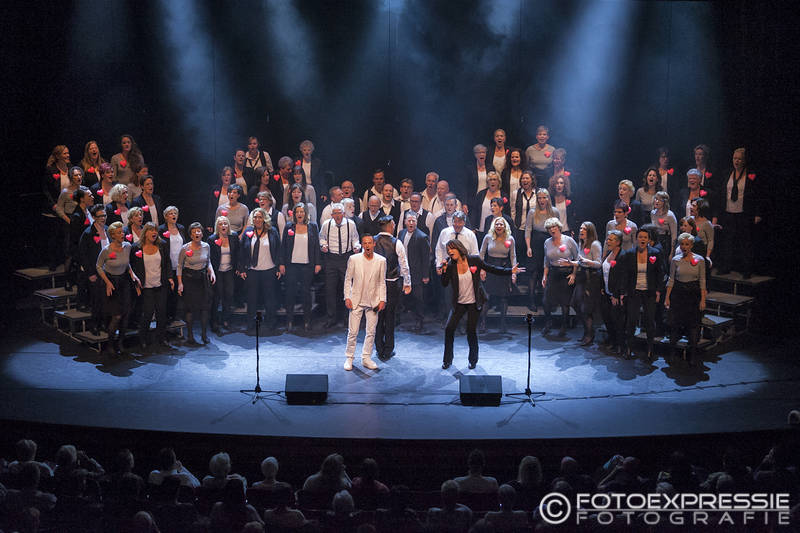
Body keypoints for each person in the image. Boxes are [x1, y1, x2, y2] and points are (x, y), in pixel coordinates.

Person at [441, 239, 522, 369]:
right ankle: (447, 360)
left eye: (452, 248)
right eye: (448, 250)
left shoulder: (474, 260)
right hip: (459, 303)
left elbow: (492, 269)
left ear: (459, 248)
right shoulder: (450, 266)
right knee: (449, 329)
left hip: (474, 302)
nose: (449, 251)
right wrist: (444, 270)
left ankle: (473, 360)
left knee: (471, 331)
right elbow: (444, 283)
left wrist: (510, 271)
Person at [343, 234, 386, 371]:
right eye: (365, 243)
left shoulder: (381, 260)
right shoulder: (354, 259)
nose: (367, 245)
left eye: (369, 243)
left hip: (373, 301)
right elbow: (348, 279)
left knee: (371, 332)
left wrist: (382, 299)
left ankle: (366, 358)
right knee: (353, 332)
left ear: (374, 244)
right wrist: (347, 297)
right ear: (362, 245)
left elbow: (381, 282)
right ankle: (349, 357)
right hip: (356, 300)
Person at [96, 221, 140, 355]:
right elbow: (98, 266)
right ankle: (110, 344)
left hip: (124, 282)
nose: (122, 234)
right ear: (113, 235)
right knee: (117, 316)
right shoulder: (106, 250)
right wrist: (107, 282)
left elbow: (126, 263)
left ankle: (120, 342)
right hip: (111, 282)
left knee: (126, 315)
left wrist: (132, 274)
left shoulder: (127, 246)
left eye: (122, 232)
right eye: (119, 232)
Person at [717, 147, 761, 278]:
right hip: (728, 212)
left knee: (745, 242)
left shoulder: (750, 175)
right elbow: (722, 193)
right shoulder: (727, 173)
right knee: (727, 241)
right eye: (735, 158)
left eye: (739, 159)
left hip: (744, 213)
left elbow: (758, 195)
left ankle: (746, 269)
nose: (736, 161)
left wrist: (758, 213)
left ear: (744, 160)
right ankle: (725, 266)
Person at [620, 227, 664, 360]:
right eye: (640, 237)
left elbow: (660, 273)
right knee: (631, 320)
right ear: (636, 239)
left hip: (649, 292)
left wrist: (658, 291)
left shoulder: (655, 253)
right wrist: (623, 292)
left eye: (645, 237)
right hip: (634, 291)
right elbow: (625, 274)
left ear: (649, 240)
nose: (642, 239)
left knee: (649, 320)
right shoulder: (630, 253)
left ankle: (650, 349)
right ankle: (629, 348)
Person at [373, 216, 412, 361]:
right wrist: (407, 283)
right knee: (390, 317)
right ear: (390, 226)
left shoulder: (372, 241)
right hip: (391, 284)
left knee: (377, 317)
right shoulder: (397, 243)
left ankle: (379, 348)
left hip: (375, 284)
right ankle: (388, 350)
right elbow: (404, 265)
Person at [665, 233, 707, 366]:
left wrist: (703, 300)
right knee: (675, 324)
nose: (684, 247)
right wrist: (667, 297)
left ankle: (693, 355)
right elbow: (671, 279)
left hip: (693, 295)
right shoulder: (675, 260)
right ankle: (672, 353)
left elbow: (702, 280)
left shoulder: (699, 260)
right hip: (678, 294)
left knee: (693, 325)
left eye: (687, 244)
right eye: (682, 244)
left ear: (691, 245)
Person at [279, 203, 321, 333]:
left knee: (306, 294)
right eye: (297, 212)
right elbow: (283, 246)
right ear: (294, 214)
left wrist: (318, 263)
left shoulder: (312, 227)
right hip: (291, 265)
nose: (299, 214)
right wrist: (282, 263)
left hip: (307, 266)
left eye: (302, 211)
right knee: (290, 293)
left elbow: (316, 246)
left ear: (306, 213)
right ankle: (289, 321)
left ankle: (307, 321)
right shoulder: (289, 227)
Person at [130, 223, 173, 351]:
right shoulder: (136, 247)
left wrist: (170, 277)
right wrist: (136, 284)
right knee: (147, 313)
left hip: (160, 284)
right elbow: (131, 267)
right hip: (146, 286)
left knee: (161, 313)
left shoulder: (162, 245)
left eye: (155, 230)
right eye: (151, 230)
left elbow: (167, 262)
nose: (154, 232)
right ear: (145, 233)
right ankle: (143, 338)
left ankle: (161, 338)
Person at [240, 208, 282, 335]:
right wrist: (242, 268)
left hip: (269, 270)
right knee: (251, 299)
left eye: (259, 217)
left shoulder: (272, 231)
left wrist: (279, 267)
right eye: (255, 217)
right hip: (252, 271)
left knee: (270, 298)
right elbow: (242, 251)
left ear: (264, 219)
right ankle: (250, 324)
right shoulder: (248, 231)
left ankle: (271, 323)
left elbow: (278, 250)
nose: (257, 219)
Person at [320, 203, 361, 328]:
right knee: (330, 289)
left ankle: (347, 318)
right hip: (331, 259)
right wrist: (323, 245)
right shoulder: (326, 224)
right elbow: (321, 238)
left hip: (345, 258)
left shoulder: (351, 224)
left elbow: (355, 239)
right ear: (332, 215)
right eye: (335, 213)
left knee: (347, 289)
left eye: (339, 213)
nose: (337, 216)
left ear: (343, 214)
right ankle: (331, 318)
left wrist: (356, 246)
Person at [177, 222, 216, 345]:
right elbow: (179, 266)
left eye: (198, 231)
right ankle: (190, 336)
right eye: (194, 232)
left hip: (202, 279)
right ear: (190, 235)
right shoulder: (185, 248)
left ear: (202, 233)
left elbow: (208, 261)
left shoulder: (206, 246)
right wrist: (180, 283)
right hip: (189, 280)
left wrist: (212, 272)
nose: (197, 234)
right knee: (190, 309)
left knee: (204, 308)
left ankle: (204, 335)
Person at [567, 222, 603, 346]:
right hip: (582, 277)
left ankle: (589, 334)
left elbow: (598, 264)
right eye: (580, 228)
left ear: (590, 231)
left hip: (591, 278)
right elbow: (580, 262)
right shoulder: (581, 244)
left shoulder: (595, 244)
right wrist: (571, 264)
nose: (581, 230)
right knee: (575, 304)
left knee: (586, 308)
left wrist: (587, 261)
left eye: (584, 229)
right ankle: (587, 331)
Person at [541, 217, 578, 336]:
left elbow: (577, 258)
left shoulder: (569, 240)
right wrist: (544, 276)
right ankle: (548, 323)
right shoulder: (547, 242)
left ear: (559, 227)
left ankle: (564, 326)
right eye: (549, 228)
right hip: (553, 272)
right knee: (546, 301)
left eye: (554, 227)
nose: (552, 230)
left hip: (566, 273)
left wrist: (574, 274)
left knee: (564, 302)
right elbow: (546, 260)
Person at [479, 217, 517, 333]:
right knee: (487, 297)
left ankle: (503, 324)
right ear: (493, 226)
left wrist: (514, 273)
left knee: (504, 297)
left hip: (504, 268)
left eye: (501, 224)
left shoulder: (510, 239)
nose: (499, 226)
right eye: (497, 224)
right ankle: (483, 323)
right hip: (490, 267)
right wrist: (482, 269)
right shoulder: (488, 237)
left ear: (505, 227)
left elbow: (513, 256)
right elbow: (481, 254)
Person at [525, 188, 560, 309]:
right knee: (534, 273)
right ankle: (531, 301)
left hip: (550, 243)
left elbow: (558, 229)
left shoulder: (554, 211)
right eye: (539, 198)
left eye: (544, 197)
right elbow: (528, 230)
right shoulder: (532, 212)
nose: (541, 200)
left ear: (548, 198)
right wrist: (528, 247)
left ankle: (548, 302)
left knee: (548, 272)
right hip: (535, 244)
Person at [397, 212, 430, 332]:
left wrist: (425, 275)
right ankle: (399, 319)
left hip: (416, 273)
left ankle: (419, 321)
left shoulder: (422, 237)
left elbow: (426, 258)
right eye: (409, 221)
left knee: (418, 298)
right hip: (403, 271)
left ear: (416, 222)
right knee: (401, 296)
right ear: (405, 222)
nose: (411, 223)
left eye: (413, 221)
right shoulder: (401, 233)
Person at [79, 204, 109, 334]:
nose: (103, 218)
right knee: (96, 300)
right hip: (95, 272)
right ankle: (94, 325)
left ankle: (104, 324)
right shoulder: (88, 233)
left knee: (106, 300)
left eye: (104, 215)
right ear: (94, 217)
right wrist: (90, 273)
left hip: (108, 272)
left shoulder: (108, 230)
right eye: (100, 216)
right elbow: (83, 255)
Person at [208, 216, 240, 334]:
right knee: (217, 297)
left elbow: (238, 253)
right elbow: (209, 257)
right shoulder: (212, 239)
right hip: (217, 272)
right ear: (217, 226)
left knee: (229, 296)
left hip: (229, 271)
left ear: (228, 225)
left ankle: (226, 320)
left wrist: (238, 268)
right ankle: (214, 322)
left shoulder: (234, 236)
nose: (223, 226)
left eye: (225, 223)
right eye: (221, 224)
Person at [158, 206, 187, 323]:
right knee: (168, 292)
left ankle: (175, 316)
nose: (174, 215)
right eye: (171, 213)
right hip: (167, 266)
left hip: (180, 266)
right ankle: (166, 317)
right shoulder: (161, 229)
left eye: (175, 213)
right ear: (166, 216)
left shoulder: (181, 228)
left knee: (177, 293)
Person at [600, 230, 626, 356]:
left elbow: (622, 277)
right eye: (607, 239)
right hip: (606, 292)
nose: (607, 241)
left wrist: (616, 294)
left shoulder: (622, 256)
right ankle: (613, 341)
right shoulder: (608, 254)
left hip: (616, 295)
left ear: (618, 242)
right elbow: (604, 272)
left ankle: (620, 345)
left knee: (618, 321)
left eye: (611, 240)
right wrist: (602, 287)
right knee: (607, 318)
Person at [69, 187, 94, 304]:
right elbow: (75, 239)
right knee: (83, 278)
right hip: (82, 252)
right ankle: (81, 304)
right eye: (89, 196)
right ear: (82, 199)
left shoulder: (89, 211)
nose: (92, 197)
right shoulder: (77, 216)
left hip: (91, 250)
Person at [471, 171, 505, 236]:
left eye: (494, 179)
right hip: (481, 230)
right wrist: (473, 228)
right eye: (490, 180)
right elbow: (474, 211)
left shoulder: (503, 195)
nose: (492, 182)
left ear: (498, 182)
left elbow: (506, 213)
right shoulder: (481, 194)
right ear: (487, 182)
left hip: (498, 232)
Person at [650, 191, 678, 261]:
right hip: (655, 240)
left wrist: (672, 252)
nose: (657, 201)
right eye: (656, 199)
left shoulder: (670, 215)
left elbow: (674, 234)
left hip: (665, 242)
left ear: (664, 202)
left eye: (660, 200)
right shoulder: (653, 213)